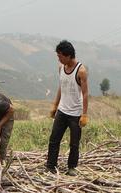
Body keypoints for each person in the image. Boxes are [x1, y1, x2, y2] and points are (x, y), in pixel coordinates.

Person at [46, 40, 89, 176]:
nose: (58, 59)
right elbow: (62, 87)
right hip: (62, 111)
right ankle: (51, 166)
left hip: (75, 113)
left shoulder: (81, 71)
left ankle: (71, 167)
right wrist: (55, 105)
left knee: (74, 143)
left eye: (60, 56)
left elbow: (85, 93)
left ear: (68, 56)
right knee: (54, 139)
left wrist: (84, 114)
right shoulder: (61, 68)